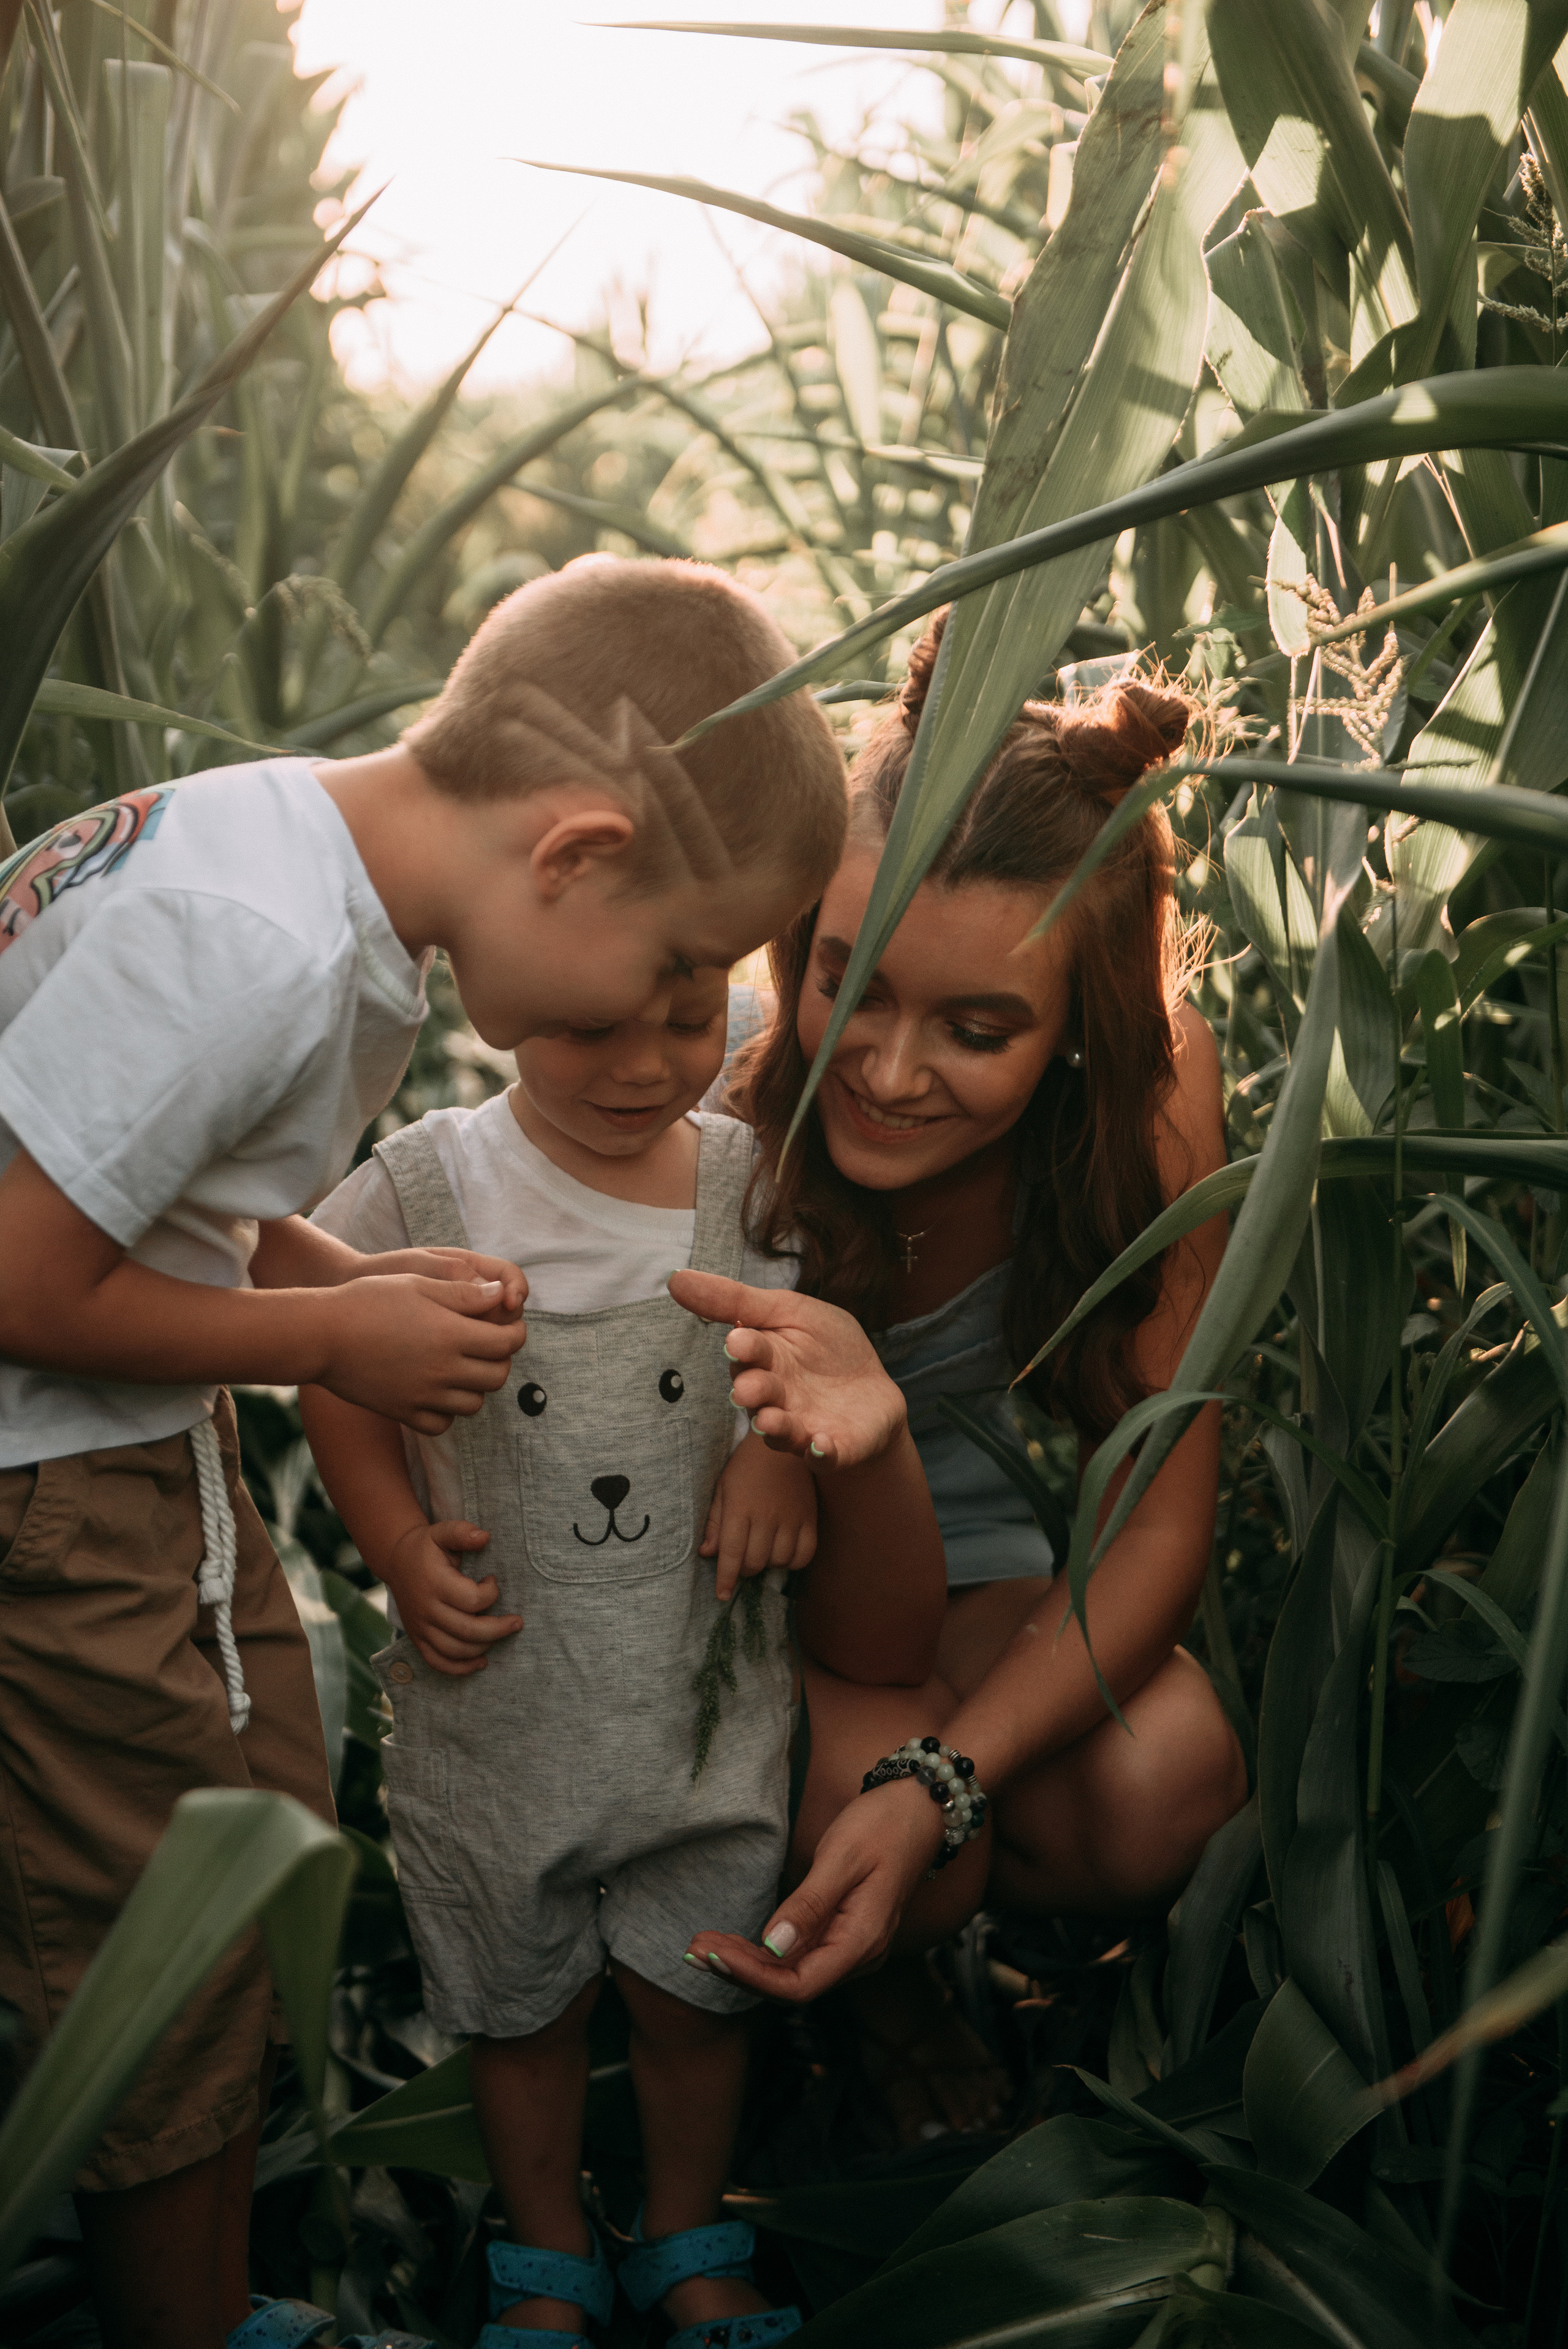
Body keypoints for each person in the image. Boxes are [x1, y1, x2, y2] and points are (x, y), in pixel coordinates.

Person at [0, 553, 849, 2349]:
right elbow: (19, 1272)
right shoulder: (265, 950)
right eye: (682, 957)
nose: (680, 1012)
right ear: (576, 853)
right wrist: (328, 1333)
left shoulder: (288, 860)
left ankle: (214, 2290)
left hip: (109, 1446)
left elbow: (170, 1203)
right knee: (162, 1917)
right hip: (49, 1483)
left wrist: (341, 1276)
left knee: (256, 1820)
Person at [301, 959, 946, 2349]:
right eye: (594, 1018)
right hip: (500, 1708)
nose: (648, 1063)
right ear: (497, 988)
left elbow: (814, 1344)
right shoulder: (421, 1189)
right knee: (518, 2015)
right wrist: (401, 1546)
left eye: (683, 1016)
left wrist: (776, 1454)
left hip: (693, 1708)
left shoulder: (750, 1184)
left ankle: (682, 2232)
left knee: (691, 1991)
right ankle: (544, 2252)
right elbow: (328, 1363)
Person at [683, 615, 1248, 2139]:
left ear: (1081, 1032)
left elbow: (1152, 1522)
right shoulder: (705, 1076)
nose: (880, 1065)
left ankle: (926, 1892)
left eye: (977, 1028)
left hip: (958, 1547)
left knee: (1160, 1773)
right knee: (869, 1783)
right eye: (844, 977)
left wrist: (946, 1776)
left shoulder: (1149, 1101)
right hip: (712, 1568)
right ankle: (878, 1994)